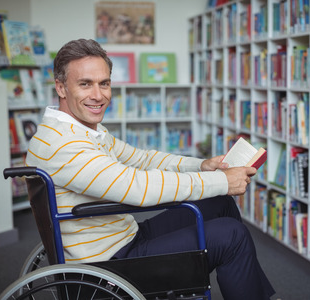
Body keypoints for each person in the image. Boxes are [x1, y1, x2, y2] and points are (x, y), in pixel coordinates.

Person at [26, 38, 275, 300]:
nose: (98, 95)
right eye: (85, 84)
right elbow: (137, 188)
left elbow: (142, 160)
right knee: (232, 236)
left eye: (104, 83)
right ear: (61, 88)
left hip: (125, 237)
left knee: (219, 204)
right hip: (109, 264)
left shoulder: (84, 131)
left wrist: (202, 166)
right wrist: (222, 180)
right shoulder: (64, 143)